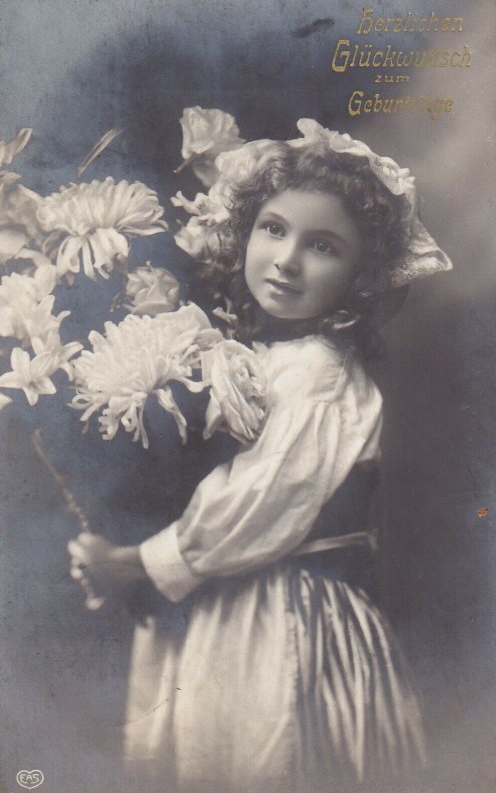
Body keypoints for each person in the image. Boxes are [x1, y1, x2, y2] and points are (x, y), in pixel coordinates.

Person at [67, 118, 452, 793]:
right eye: (273, 229)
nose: (286, 259)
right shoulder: (266, 359)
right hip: (236, 604)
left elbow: (257, 499)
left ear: (360, 276)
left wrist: (134, 564)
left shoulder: (319, 372)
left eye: (323, 246)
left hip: (286, 620)